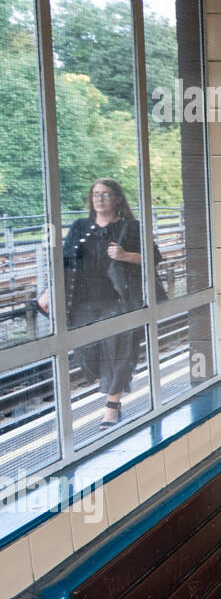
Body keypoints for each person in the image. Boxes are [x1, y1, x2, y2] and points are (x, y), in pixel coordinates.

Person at [37, 179, 159, 431]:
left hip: (120, 300)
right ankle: (108, 390)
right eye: (95, 194)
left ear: (117, 199)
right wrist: (49, 291)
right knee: (86, 352)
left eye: (105, 194)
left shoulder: (131, 227)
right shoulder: (80, 227)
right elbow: (66, 261)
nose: (99, 199)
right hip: (83, 301)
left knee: (119, 351)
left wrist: (126, 256)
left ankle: (111, 407)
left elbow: (154, 258)